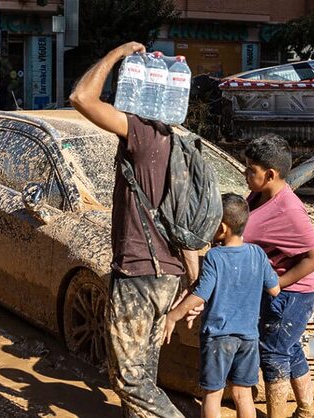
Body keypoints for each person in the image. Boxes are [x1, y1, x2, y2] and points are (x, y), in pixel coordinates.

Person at [69, 42, 199, 417]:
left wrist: (115, 53)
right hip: (167, 276)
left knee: (129, 380)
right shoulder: (177, 142)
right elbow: (182, 219)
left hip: (140, 274)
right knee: (144, 374)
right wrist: (191, 279)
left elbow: (81, 97)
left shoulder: (141, 133)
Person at [164, 193, 280, 418]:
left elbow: (200, 295)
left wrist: (172, 316)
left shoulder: (214, 257)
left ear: (223, 227)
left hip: (218, 337)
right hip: (248, 337)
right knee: (243, 393)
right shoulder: (257, 253)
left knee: (212, 394)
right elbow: (274, 289)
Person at [242, 135, 314, 418]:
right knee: (288, 348)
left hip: (295, 293)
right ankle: (306, 410)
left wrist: (278, 283)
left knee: (273, 354)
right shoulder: (258, 194)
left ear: (270, 174)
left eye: (250, 170)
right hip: (280, 290)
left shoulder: (289, 209)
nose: (245, 174)